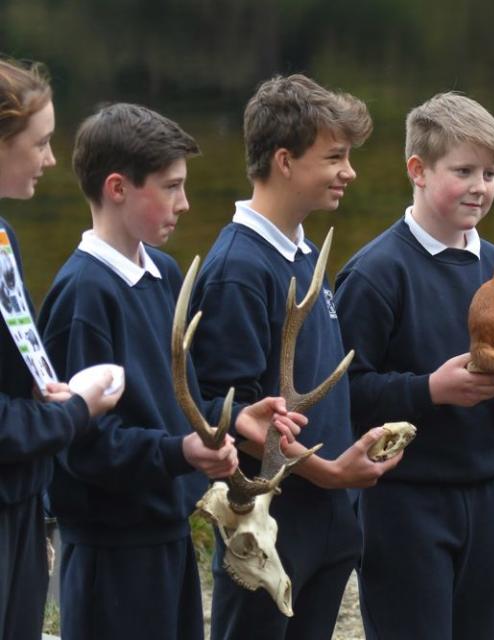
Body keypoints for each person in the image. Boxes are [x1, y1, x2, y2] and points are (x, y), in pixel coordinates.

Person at [37, 103, 301, 640]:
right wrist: (179, 453)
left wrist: (228, 419)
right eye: (170, 186)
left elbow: (172, 405)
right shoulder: (84, 294)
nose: (184, 203)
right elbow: (80, 445)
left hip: (167, 531)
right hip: (109, 547)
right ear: (117, 188)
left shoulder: (163, 272)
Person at [333, 91, 494, 639]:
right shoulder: (375, 274)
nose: (481, 187)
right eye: (464, 171)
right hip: (401, 499)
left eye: (491, 172)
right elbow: (345, 397)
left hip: (482, 491)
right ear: (418, 170)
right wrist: (429, 389)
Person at [188, 74, 402, 640]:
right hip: (266, 528)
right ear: (284, 160)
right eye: (334, 157)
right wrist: (329, 473)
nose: (349, 172)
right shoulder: (238, 268)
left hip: (328, 518)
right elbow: (224, 412)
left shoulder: (305, 249)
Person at [0, 56, 122, 640]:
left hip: (20, 502)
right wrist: (76, 412)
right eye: (40, 143)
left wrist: (44, 388)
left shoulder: (4, 238)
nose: (51, 159)